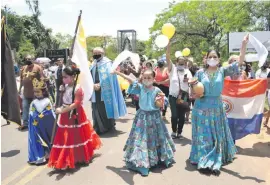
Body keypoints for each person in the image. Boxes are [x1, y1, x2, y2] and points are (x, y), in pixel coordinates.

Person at [188, 42, 246, 173]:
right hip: (201, 107)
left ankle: (215, 157)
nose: (212, 59)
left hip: (217, 107)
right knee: (204, 134)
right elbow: (192, 90)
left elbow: (239, 63)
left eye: (215, 57)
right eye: (210, 57)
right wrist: (194, 91)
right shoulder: (200, 73)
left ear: (219, 59)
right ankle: (203, 159)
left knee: (216, 133)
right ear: (206, 59)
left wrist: (243, 45)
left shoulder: (222, 70)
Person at [113, 69, 175, 176]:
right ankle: (141, 163)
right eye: (144, 78)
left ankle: (160, 158)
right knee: (140, 139)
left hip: (155, 118)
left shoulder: (157, 90)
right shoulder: (140, 88)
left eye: (149, 78)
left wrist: (160, 101)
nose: (146, 80)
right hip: (142, 117)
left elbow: (162, 102)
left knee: (157, 138)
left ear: (153, 79)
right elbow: (130, 80)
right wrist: (118, 73)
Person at [48, 66, 101, 170]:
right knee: (66, 136)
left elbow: (76, 104)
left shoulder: (78, 89)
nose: (63, 79)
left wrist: (62, 110)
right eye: (62, 77)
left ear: (72, 76)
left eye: (65, 77)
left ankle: (80, 157)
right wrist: (60, 92)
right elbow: (62, 100)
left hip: (75, 114)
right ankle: (65, 158)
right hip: (65, 115)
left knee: (76, 135)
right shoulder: (65, 87)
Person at [90, 47, 127, 134]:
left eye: (97, 53)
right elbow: (90, 75)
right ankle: (97, 127)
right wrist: (92, 85)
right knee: (95, 108)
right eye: (94, 54)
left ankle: (107, 126)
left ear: (103, 53)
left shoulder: (108, 63)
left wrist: (100, 84)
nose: (96, 55)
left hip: (105, 90)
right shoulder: (93, 63)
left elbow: (110, 76)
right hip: (94, 90)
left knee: (105, 109)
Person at [166, 43, 193, 139]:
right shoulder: (172, 69)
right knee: (174, 116)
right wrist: (168, 47)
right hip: (173, 96)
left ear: (185, 64)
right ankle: (174, 131)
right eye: (179, 63)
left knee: (181, 116)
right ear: (176, 63)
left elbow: (192, 82)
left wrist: (188, 81)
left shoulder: (187, 72)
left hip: (184, 97)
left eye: (182, 63)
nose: (180, 65)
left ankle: (180, 132)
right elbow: (167, 57)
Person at [28, 78, 55, 165]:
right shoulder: (34, 102)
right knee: (39, 140)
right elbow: (32, 111)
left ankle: (50, 153)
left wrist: (41, 116)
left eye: (38, 92)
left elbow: (49, 111)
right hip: (37, 124)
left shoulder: (47, 101)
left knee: (48, 138)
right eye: (35, 92)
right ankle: (41, 156)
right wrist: (34, 116)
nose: (37, 94)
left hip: (46, 124)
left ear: (43, 92)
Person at [18, 55, 43, 131]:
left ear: (33, 59)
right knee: (25, 107)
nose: (28, 60)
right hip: (26, 92)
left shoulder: (38, 67)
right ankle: (25, 123)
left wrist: (41, 89)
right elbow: (22, 80)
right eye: (27, 59)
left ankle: (37, 123)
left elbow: (42, 79)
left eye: (30, 59)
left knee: (36, 108)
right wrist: (19, 89)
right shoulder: (23, 68)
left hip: (35, 93)